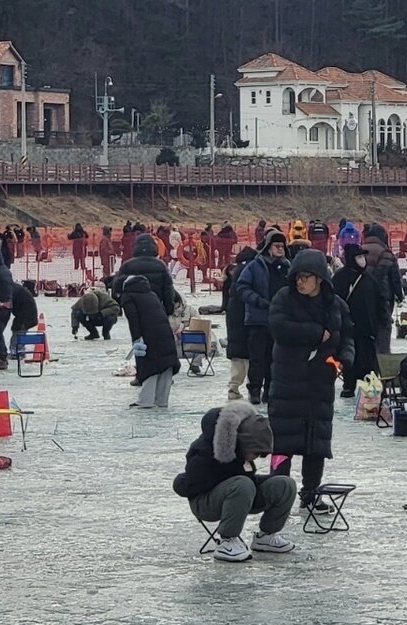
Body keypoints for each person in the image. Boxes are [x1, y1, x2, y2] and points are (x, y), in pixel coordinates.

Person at [267, 248, 351, 511]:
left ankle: (311, 494)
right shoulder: (284, 299)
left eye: (306, 277)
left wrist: (344, 360)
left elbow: (347, 336)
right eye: (297, 277)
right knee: (282, 443)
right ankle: (276, 493)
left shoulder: (336, 305)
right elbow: (279, 328)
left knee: (316, 444)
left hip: (319, 384)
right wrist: (315, 332)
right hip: (287, 384)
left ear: (319, 279)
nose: (300, 282)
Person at [173, 403, 298, 562]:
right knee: (242, 484)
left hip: (238, 495)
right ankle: (228, 540)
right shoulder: (204, 453)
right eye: (255, 453)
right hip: (204, 503)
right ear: (243, 444)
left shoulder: (241, 456)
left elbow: (247, 479)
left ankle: (266, 535)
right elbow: (188, 485)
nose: (256, 458)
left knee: (284, 484)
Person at [235, 228, 290, 405]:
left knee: (275, 358)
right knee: (257, 358)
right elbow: (242, 287)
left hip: (279, 320)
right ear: (268, 247)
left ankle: (270, 390)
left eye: (282, 246)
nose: (280, 249)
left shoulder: (287, 267)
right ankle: (255, 390)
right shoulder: (255, 266)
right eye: (277, 246)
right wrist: (257, 301)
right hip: (258, 319)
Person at [117, 274, 179, 409]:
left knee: (150, 366)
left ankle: (145, 400)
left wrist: (136, 339)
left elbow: (133, 319)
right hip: (165, 333)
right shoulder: (151, 294)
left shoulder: (128, 297)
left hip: (149, 334)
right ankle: (162, 400)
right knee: (165, 365)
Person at [332, 243, 382, 398]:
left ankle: (368, 389)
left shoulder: (369, 278)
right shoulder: (340, 278)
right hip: (348, 328)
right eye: (359, 256)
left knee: (367, 360)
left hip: (367, 329)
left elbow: (379, 301)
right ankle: (349, 386)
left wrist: (380, 321)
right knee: (350, 358)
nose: (362, 260)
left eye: (363, 256)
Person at [361, 223, 404, 353]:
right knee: (383, 328)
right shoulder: (386, 253)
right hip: (383, 298)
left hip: (361, 297)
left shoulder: (358, 251)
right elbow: (395, 279)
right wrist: (400, 296)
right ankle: (383, 359)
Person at [223, 246, 257, 400]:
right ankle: (254, 388)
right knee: (251, 359)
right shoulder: (252, 274)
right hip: (248, 324)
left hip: (234, 323)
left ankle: (233, 388)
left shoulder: (233, 276)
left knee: (237, 360)